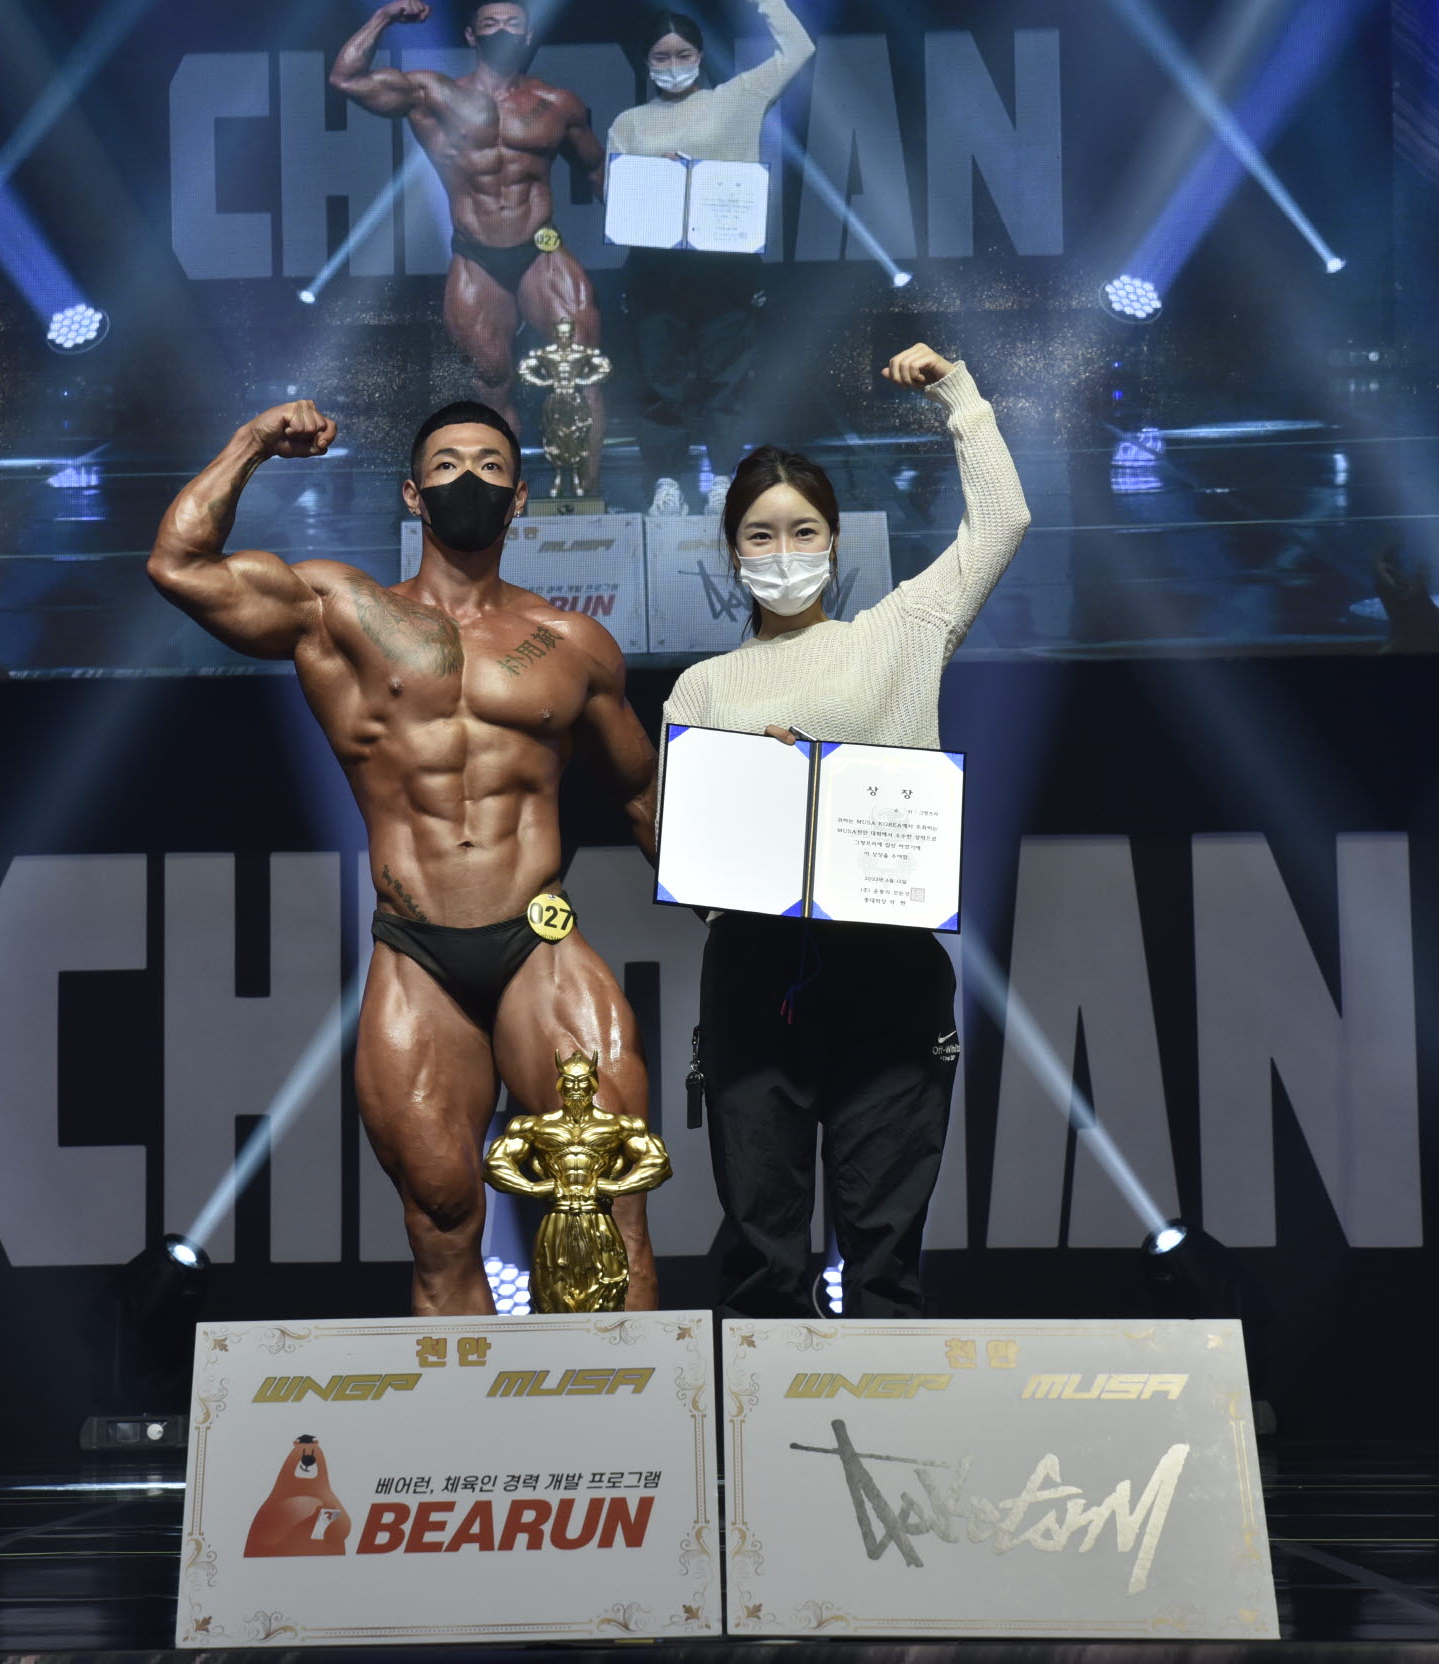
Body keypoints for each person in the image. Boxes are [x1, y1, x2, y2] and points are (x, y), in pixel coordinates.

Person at [146, 397, 661, 1316]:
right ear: (413, 495)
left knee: (607, 1196)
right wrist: (253, 442)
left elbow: (641, 797)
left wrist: (751, 918)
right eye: (448, 464)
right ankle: (472, 1415)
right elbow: (178, 565)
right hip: (417, 953)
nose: (470, 479)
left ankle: (626, 1417)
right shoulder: (338, 611)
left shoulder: (572, 644)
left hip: (539, 944)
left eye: (492, 466)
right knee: (442, 1217)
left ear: (521, 498)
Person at [660, 343, 1030, 1319]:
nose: (783, 551)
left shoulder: (899, 633)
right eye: (760, 534)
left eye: (804, 530)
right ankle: (762, 1418)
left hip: (887, 968)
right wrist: (759, 800)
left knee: (884, 1260)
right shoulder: (699, 689)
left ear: (835, 542)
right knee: (763, 1259)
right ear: (731, 553)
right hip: (755, 973)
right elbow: (690, 857)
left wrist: (957, 392)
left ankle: (879, 1420)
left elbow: (1003, 521)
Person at [332, 1, 611, 490]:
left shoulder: (559, 103)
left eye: (513, 23)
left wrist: (660, 229)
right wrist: (384, 17)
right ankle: (502, 502)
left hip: (541, 252)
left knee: (581, 369)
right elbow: (346, 79)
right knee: (491, 380)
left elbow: (597, 172)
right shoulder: (432, 94)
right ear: (470, 35)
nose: (502, 29)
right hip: (476, 257)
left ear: (528, 36)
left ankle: (587, 499)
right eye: (490, 23)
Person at [605, 2, 815, 518]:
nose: (673, 64)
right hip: (656, 269)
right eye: (661, 56)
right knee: (662, 384)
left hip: (725, 265)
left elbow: (799, 49)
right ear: (645, 62)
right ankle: (667, 484)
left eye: (684, 54)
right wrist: (657, 174)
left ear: (700, 55)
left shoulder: (738, 97)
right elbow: (616, 195)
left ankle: (723, 479)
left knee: (728, 380)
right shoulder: (629, 124)